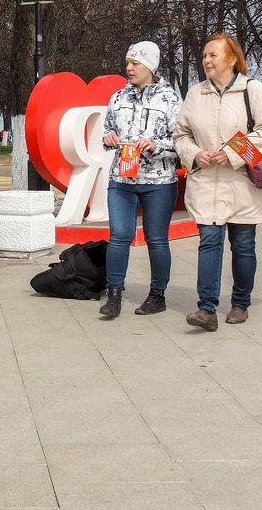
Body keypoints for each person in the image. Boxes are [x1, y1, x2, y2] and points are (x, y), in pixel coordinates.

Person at [174, 33, 262, 331]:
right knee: (209, 242)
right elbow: (181, 135)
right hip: (206, 182)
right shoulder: (196, 94)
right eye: (205, 55)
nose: (206, 60)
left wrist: (232, 153)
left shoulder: (253, 90)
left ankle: (240, 303)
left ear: (232, 58)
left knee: (243, 245)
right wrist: (195, 154)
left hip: (242, 184)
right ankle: (206, 309)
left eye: (213, 55)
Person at [98, 41, 181, 318]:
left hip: (159, 182)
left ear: (150, 67)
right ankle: (114, 294)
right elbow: (108, 130)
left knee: (156, 239)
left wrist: (156, 146)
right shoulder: (118, 97)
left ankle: (158, 295)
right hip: (122, 180)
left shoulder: (170, 99)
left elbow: (181, 141)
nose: (129, 68)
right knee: (119, 236)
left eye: (135, 63)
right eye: (128, 63)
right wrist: (108, 139)